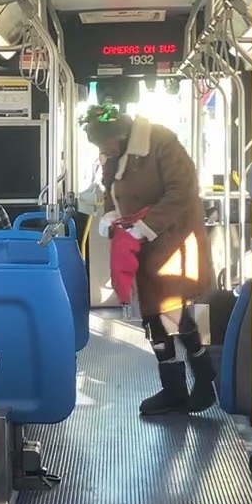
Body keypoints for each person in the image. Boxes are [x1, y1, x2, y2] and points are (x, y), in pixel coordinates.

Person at [81, 103, 217, 415]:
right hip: (140, 243)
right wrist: (110, 214)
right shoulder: (115, 154)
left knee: (172, 313)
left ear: (122, 133)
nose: (103, 150)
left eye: (105, 144)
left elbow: (182, 191)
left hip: (174, 240)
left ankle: (202, 379)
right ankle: (177, 386)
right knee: (154, 315)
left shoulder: (162, 144)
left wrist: (147, 225)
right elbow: (110, 190)